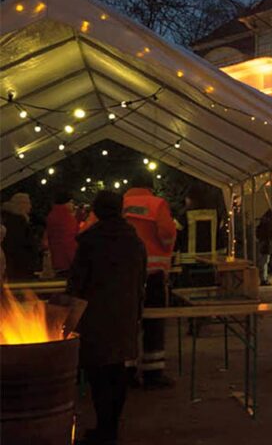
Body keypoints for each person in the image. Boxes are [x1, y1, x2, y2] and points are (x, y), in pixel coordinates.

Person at [66, 190, 147, 445]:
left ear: (97, 211)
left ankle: (105, 429)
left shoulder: (90, 242)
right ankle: (111, 426)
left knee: (98, 372)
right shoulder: (134, 241)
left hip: (95, 315)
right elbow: (141, 278)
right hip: (125, 312)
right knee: (117, 368)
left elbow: (77, 283)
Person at [122, 173, 176, 389]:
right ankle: (153, 373)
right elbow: (167, 234)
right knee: (154, 322)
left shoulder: (119, 204)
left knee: (126, 323)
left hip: (123, 275)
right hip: (152, 274)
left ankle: (126, 371)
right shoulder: (157, 204)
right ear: (150, 187)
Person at [1, 193, 36, 279]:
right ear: (21, 204)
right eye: (28, 203)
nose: (30, 206)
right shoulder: (18, 222)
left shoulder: (10, 219)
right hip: (20, 265)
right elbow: (18, 244)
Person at [47, 190, 79, 275]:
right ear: (65, 203)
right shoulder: (67, 218)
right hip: (67, 262)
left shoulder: (52, 215)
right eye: (71, 202)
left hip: (56, 260)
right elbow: (69, 242)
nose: (73, 205)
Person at [256, 209, 272, 285]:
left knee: (264, 261)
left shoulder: (263, 223)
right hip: (265, 243)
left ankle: (264, 277)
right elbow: (268, 234)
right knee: (264, 262)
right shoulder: (268, 224)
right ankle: (263, 278)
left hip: (264, 242)